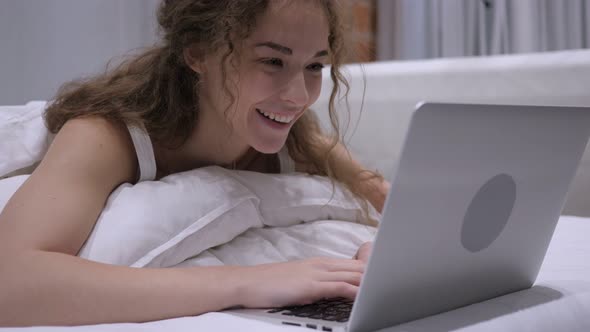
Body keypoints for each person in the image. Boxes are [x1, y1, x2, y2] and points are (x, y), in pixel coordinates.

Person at [0, 0, 389, 327]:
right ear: (198, 53)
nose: (298, 96)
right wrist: (247, 283)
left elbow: (387, 201)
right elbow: (11, 282)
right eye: (272, 61)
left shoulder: (297, 137)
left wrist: (383, 255)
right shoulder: (103, 135)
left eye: (314, 66)